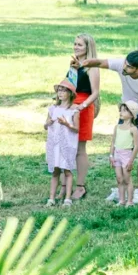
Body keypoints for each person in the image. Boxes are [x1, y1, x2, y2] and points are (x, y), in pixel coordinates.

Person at [74, 49, 138, 204]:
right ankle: (121, 186)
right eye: (125, 64)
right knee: (121, 146)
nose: (124, 68)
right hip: (127, 108)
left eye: (129, 67)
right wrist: (84, 63)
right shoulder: (122, 64)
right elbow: (101, 62)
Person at [66, 33, 100, 200]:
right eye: (75, 44)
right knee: (66, 145)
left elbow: (95, 93)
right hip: (69, 106)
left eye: (80, 45)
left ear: (88, 48)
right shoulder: (74, 65)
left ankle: (80, 186)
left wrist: (82, 106)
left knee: (80, 149)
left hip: (83, 107)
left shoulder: (92, 67)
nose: (76, 47)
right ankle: (65, 185)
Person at [45, 79, 80, 207]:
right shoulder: (53, 109)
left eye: (64, 90)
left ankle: (67, 198)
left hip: (67, 144)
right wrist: (48, 123)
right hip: (54, 143)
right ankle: (51, 198)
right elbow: (46, 125)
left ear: (70, 93)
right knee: (55, 171)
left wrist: (66, 123)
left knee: (67, 171)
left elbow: (76, 129)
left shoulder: (74, 110)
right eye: (59, 90)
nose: (60, 93)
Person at [110, 101, 138, 207]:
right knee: (119, 178)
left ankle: (130, 201)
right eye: (120, 110)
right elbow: (113, 142)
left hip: (126, 155)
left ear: (132, 114)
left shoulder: (133, 129)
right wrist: (111, 156)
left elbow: (136, 146)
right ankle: (122, 200)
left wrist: (131, 160)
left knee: (127, 179)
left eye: (124, 110)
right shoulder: (117, 127)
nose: (121, 112)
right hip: (117, 154)